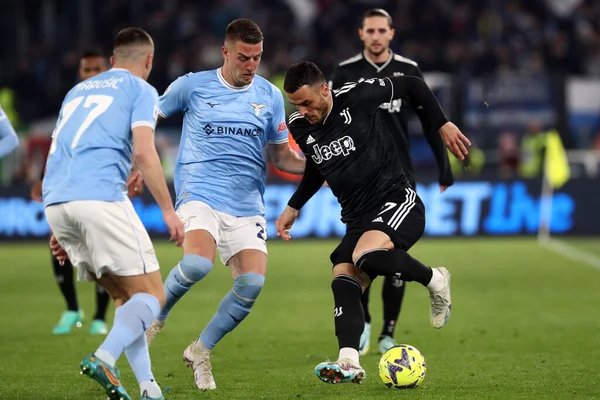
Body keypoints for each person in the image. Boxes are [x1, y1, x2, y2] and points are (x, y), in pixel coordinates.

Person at [277, 61, 470, 384]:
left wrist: (442, 124)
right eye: (296, 104)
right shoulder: (300, 125)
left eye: (307, 102)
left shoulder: (358, 96)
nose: (303, 110)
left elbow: (412, 84)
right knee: (343, 277)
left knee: (362, 256)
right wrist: (294, 205)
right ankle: (349, 361)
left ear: (324, 90)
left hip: (397, 200)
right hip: (357, 219)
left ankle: (435, 279)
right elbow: (317, 163)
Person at [144, 18, 305, 391]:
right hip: (198, 192)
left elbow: (282, 158)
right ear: (226, 53)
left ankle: (200, 350)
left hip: (247, 203)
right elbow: (146, 119)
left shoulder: (269, 95)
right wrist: (135, 161)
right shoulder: (192, 86)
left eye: (257, 58)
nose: (251, 66)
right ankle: (157, 315)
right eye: (244, 58)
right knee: (197, 263)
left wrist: (320, 167)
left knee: (251, 285)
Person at [43, 27, 184, 400]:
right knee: (154, 295)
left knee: (126, 298)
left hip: (58, 199)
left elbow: (68, 151)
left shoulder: (76, 92)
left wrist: (61, 224)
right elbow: (144, 150)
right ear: (149, 61)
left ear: (111, 61)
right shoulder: (141, 90)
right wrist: (168, 209)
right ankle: (105, 356)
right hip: (100, 200)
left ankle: (148, 388)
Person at [328, 8, 454, 356]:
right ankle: (365, 321)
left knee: (392, 254)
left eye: (382, 30)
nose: (376, 36)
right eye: (370, 30)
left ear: (392, 33)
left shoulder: (408, 71)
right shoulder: (346, 72)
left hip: (400, 176)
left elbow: (430, 121)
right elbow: (334, 123)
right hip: (362, 180)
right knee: (361, 255)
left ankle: (388, 332)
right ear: (361, 33)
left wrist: (443, 165)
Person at [31, 50, 128, 336]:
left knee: (102, 250)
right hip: (69, 186)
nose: (91, 75)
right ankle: (72, 308)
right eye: (86, 70)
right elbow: (58, 145)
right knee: (60, 245)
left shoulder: (118, 104)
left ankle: (100, 316)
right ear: (80, 74)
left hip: (103, 187)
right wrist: (43, 178)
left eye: (97, 69)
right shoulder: (73, 101)